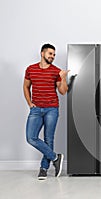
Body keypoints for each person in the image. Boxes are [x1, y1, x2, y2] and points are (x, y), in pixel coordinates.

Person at [23, 44, 69, 180]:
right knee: (31, 138)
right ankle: (56, 157)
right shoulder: (31, 69)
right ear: (42, 53)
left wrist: (63, 78)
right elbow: (26, 87)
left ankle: (43, 168)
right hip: (36, 109)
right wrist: (30, 103)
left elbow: (63, 91)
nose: (52, 57)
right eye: (50, 54)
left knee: (49, 139)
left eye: (54, 55)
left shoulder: (56, 71)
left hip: (51, 109)